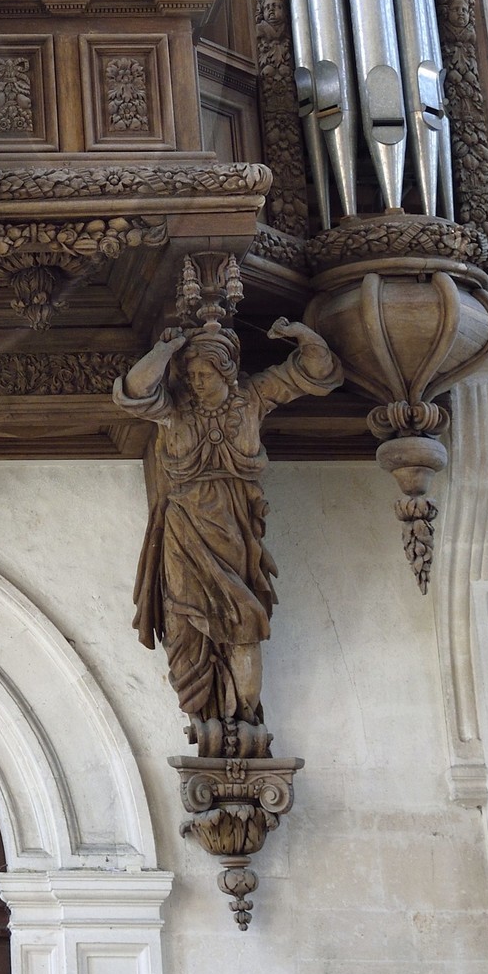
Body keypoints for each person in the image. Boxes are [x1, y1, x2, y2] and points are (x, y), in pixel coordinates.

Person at [113, 267, 340, 751]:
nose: (195, 381)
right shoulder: (175, 410)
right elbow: (136, 392)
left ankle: (243, 720)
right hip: (182, 533)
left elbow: (315, 371)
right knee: (181, 625)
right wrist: (165, 352)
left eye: (203, 373)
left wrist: (300, 335)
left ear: (226, 372)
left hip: (235, 534)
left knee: (242, 623)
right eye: (190, 374)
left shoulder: (251, 401)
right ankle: (203, 715)